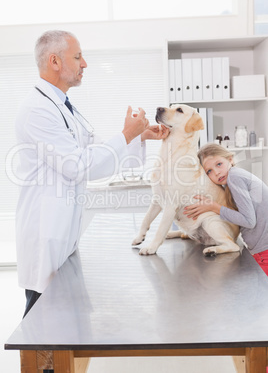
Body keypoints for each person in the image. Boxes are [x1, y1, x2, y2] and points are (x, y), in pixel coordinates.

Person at [15, 30, 169, 317]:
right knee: (41, 328)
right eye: (77, 56)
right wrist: (126, 134)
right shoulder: (37, 110)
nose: (84, 63)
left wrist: (138, 137)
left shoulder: (62, 107)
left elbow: (91, 152)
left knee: (65, 324)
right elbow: (77, 166)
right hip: (46, 233)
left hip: (64, 232)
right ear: (55, 61)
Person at [184, 143, 268, 276]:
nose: (216, 172)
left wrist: (214, 207)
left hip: (265, 250)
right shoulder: (232, 181)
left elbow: (249, 221)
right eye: (209, 171)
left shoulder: (235, 177)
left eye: (219, 164)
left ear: (230, 159)